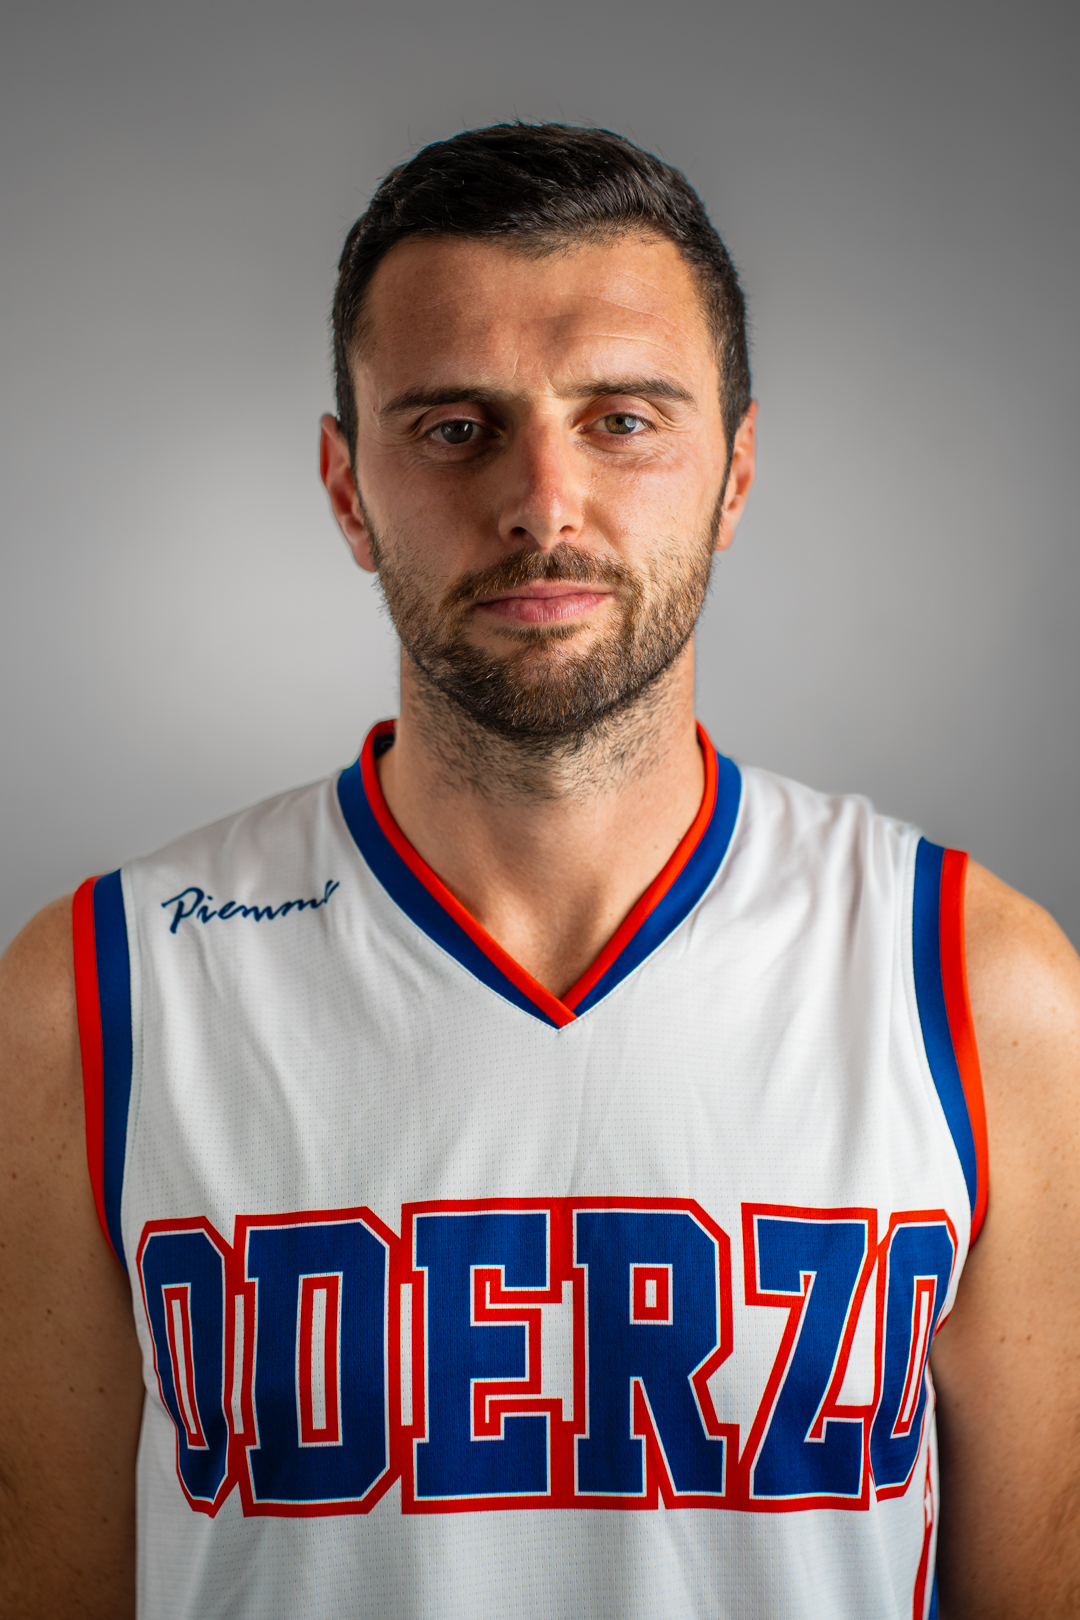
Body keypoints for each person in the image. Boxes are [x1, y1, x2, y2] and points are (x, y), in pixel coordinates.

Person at [1, 122, 1077, 1620]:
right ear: (346, 486)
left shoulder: (977, 984)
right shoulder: (95, 995)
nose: (543, 502)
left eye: (623, 420)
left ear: (737, 471)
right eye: (455, 427)